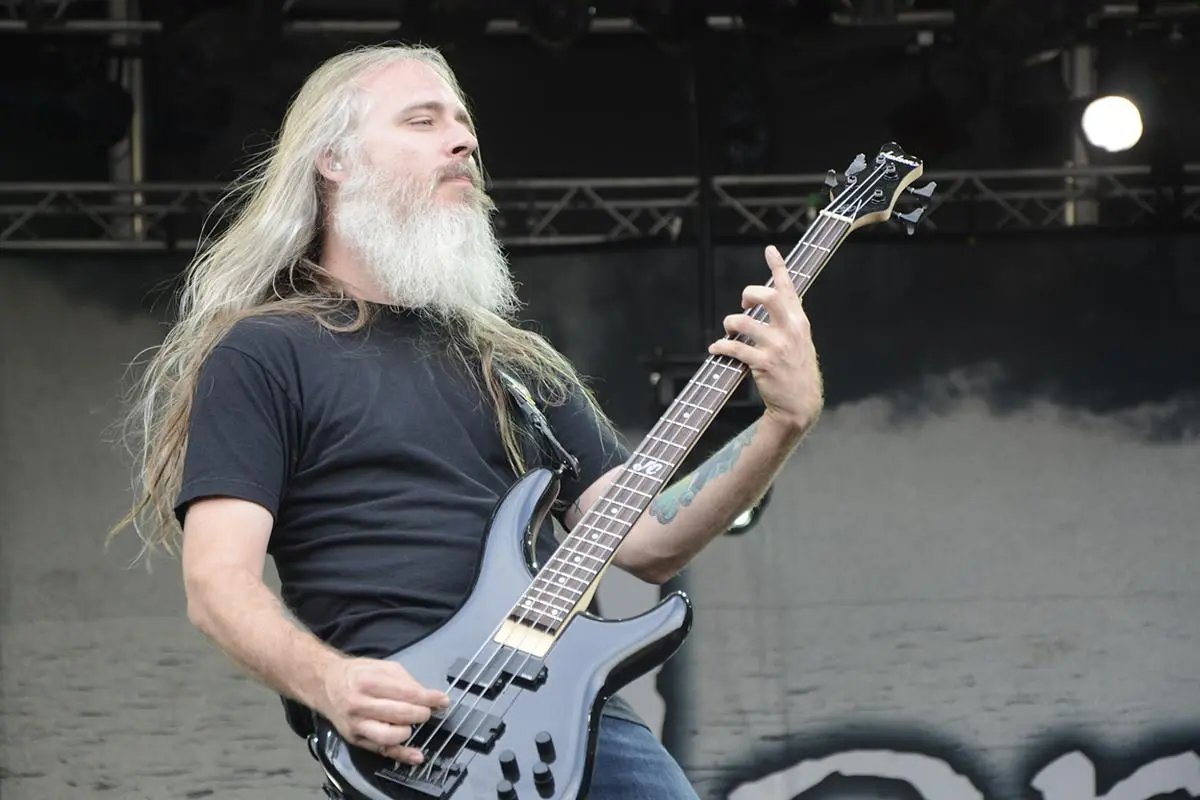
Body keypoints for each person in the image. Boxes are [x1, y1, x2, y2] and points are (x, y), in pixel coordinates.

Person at [111, 43, 824, 799]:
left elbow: (648, 540)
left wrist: (783, 421)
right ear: (334, 162)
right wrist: (331, 681)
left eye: (463, 123)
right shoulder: (264, 353)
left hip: (571, 714)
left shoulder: (517, 363)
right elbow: (217, 582)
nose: (463, 141)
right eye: (423, 121)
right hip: (419, 731)